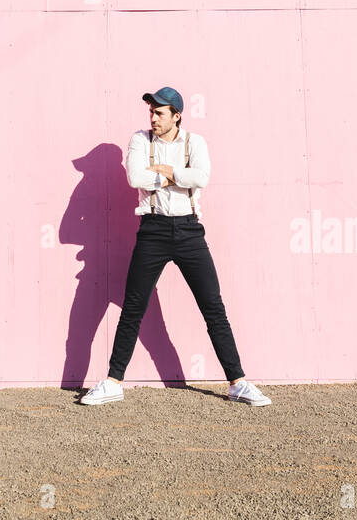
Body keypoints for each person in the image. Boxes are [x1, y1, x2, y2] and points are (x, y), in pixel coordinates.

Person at [80, 87, 271, 407]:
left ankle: (238, 382)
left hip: (189, 231)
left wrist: (167, 171)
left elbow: (203, 177)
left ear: (176, 115)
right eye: (151, 112)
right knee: (133, 309)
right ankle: (113, 382)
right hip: (152, 230)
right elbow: (135, 178)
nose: (153, 118)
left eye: (160, 113)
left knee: (213, 308)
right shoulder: (140, 140)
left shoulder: (194, 142)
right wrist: (180, 177)